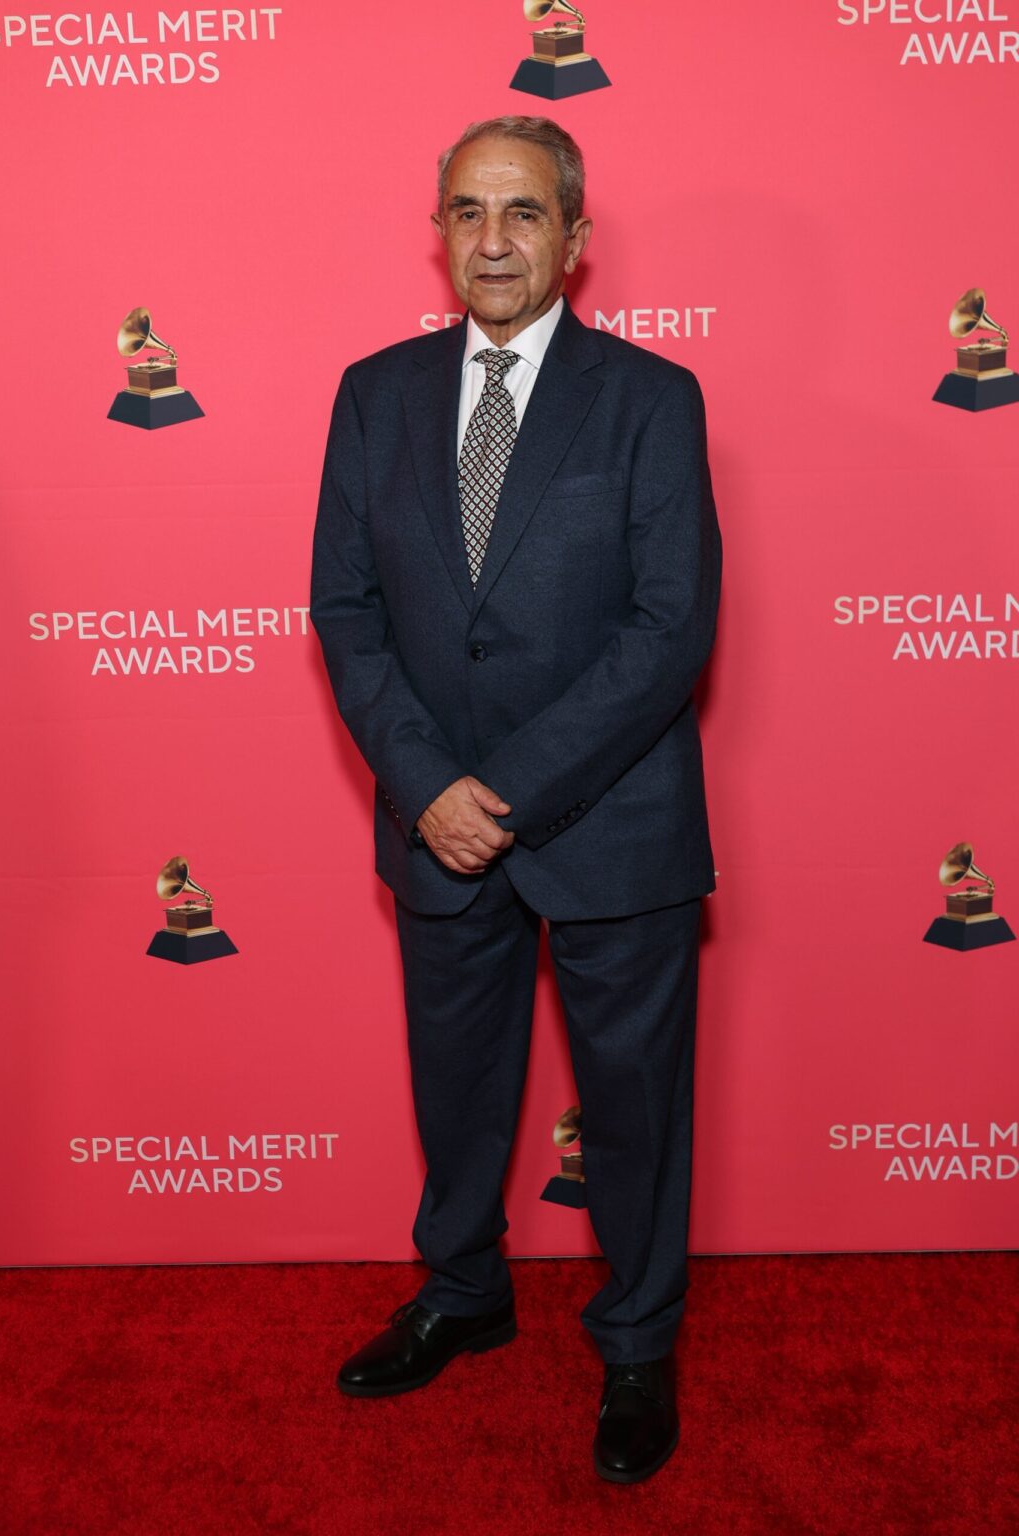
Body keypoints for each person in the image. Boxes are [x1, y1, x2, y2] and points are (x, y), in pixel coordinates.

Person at [309, 114, 722, 1484]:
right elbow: (346, 612)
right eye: (470, 212)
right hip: (436, 830)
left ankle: (638, 1342)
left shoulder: (653, 399)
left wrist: (505, 787)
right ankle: (464, 1295)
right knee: (460, 1091)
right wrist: (431, 788)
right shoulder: (373, 393)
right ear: (439, 231)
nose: (495, 239)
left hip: (612, 823)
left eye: (526, 213)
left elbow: (670, 628)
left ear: (576, 238)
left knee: (636, 1108)